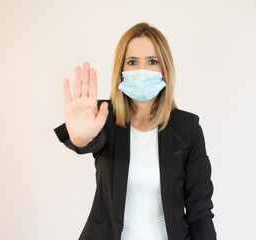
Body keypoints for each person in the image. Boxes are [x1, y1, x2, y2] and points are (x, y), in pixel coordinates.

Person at [54, 22, 216, 240]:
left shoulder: (187, 128)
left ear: (164, 69)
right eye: (132, 62)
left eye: (152, 61)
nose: (142, 70)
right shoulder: (104, 116)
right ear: (121, 70)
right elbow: (86, 139)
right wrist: (81, 137)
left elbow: (200, 211)